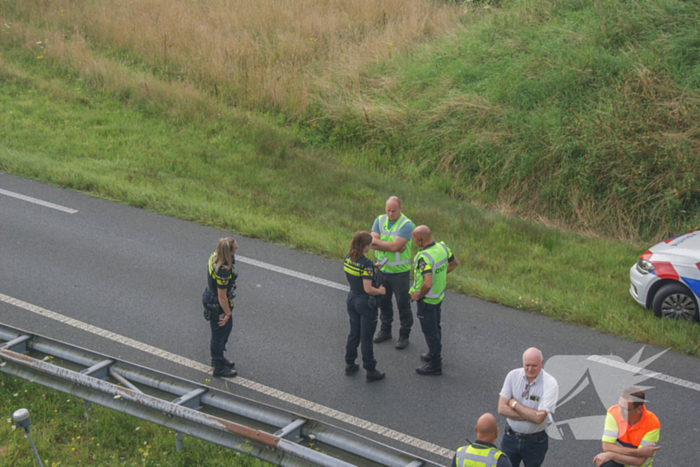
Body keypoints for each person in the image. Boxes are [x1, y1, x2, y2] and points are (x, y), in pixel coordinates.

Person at [409, 225, 458, 375]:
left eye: (414, 238)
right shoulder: (442, 247)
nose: (413, 241)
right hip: (438, 296)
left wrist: (418, 295)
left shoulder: (423, 258)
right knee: (436, 328)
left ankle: (435, 364)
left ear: (419, 239)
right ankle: (432, 353)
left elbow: (427, 283)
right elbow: (454, 263)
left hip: (427, 300)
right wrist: (441, 277)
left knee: (430, 331)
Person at [497, 347, 559, 467]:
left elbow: (538, 419)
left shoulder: (550, 384)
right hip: (510, 437)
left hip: (535, 442)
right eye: (527, 365)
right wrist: (530, 414)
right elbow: (501, 408)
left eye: (534, 365)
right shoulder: (512, 376)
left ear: (542, 363)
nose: (530, 369)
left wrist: (514, 404)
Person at [370, 196, 415, 349]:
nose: (390, 214)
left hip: (399, 273)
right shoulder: (379, 220)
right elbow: (372, 243)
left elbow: (394, 247)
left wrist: (383, 244)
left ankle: (404, 335)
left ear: (400, 209)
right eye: (388, 210)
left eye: (394, 211)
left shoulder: (407, 224)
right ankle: (385, 330)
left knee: (403, 304)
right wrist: (390, 246)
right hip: (381, 270)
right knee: (383, 302)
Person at [344, 231, 387, 383]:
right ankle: (370, 370)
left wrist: (370, 269)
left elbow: (358, 275)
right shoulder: (367, 265)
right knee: (366, 338)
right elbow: (368, 288)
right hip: (365, 302)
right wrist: (380, 291)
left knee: (354, 332)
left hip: (352, 298)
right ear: (366, 246)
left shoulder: (348, 258)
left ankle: (349, 364)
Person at [592, 386, 661, 467]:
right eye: (619, 405)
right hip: (619, 461)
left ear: (638, 409)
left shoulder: (652, 424)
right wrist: (638, 452)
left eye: (625, 409)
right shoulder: (614, 413)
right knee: (606, 464)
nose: (620, 411)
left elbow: (639, 461)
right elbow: (606, 446)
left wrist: (612, 454)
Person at [205, 237, 238, 378]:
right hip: (217, 303)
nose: (236, 250)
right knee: (219, 333)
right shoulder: (223, 269)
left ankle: (218, 358)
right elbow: (222, 296)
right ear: (228, 252)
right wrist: (227, 313)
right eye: (235, 248)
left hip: (211, 295)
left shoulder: (214, 255)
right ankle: (218, 366)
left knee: (225, 330)